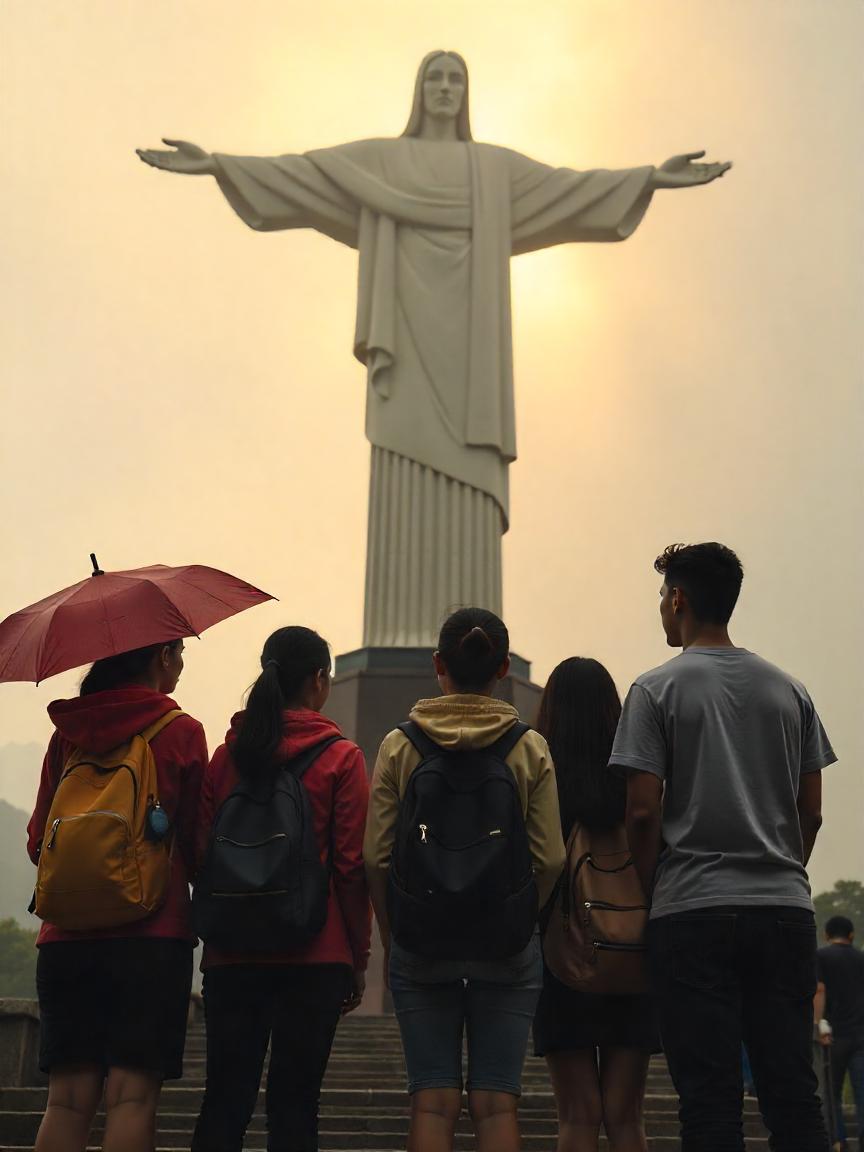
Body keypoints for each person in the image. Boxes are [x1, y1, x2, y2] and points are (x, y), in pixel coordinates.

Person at [136, 51, 730, 650]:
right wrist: (216, 165)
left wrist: (651, 176)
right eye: (435, 79)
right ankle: (397, 633)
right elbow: (303, 175)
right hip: (407, 350)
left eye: (456, 80)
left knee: (471, 476)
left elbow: (570, 189)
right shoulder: (383, 162)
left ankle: (471, 641)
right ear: (420, 91)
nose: (445, 88)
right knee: (401, 468)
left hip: (472, 362)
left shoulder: (493, 172)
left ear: (466, 94)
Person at [609, 542, 837, 1152]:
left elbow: (639, 810)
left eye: (662, 597)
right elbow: (810, 811)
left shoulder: (654, 690)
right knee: (793, 1096)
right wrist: (783, 871)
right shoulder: (791, 691)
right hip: (784, 910)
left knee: (708, 1101)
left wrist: (657, 887)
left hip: (692, 911)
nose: (661, 608)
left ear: (679, 599)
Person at [363, 606, 566, 1152]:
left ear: (437, 664)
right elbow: (549, 858)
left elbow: (375, 856)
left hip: (422, 939)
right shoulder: (528, 747)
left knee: (431, 1099)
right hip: (506, 942)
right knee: (497, 1101)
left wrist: (392, 929)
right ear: (504, 668)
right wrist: (523, 917)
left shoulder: (399, 746)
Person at [191, 626, 371, 1152]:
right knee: (295, 1106)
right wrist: (357, 956)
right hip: (315, 953)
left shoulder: (228, 758)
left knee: (224, 1100)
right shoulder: (341, 757)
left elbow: (202, 851)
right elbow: (350, 867)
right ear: (319, 680)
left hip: (231, 954)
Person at [26, 639, 207, 1152]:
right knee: (130, 1100)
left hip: (64, 939)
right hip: (152, 938)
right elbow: (197, 841)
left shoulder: (68, 736)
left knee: (64, 1102)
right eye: (178, 653)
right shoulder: (182, 733)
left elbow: (40, 841)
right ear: (162, 657)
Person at [533, 657, 659, 1152]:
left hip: (563, 957)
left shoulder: (543, 778)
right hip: (632, 953)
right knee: (627, 1115)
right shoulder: (634, 778)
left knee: (578, 1114)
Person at [815, 915, 864, 1150]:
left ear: (826, 935)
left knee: (832, 1093)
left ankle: (838, 1141)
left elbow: (820, 989)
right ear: (851, 935)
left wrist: (819, 1023)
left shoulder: (821, 956)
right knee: (862, 1092)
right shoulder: (861, 958)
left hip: (834, 1035)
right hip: (861, 1035)